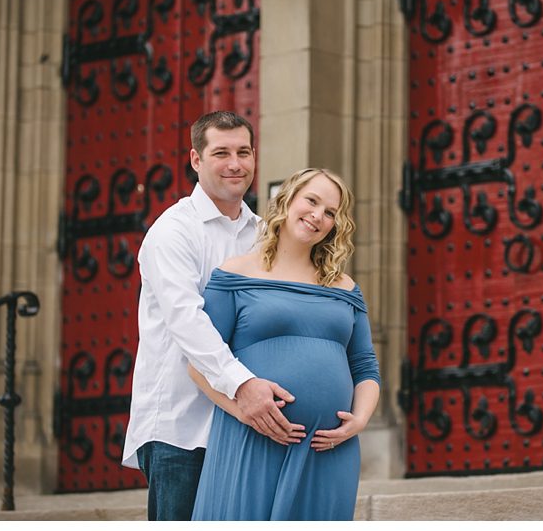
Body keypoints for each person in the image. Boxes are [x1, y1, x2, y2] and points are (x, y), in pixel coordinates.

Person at [120, 113, 303, 520]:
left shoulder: (263, 235)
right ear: (195, 160)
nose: (235, 164)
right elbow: (187, 321)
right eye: (221, 153)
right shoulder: (173, 231)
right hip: (180, 429)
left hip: (245, 428)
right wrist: (244, 385)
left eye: (243, 152)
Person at [188, 167, 379, 522]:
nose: (318, 216)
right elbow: (199, 364)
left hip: (329, 449)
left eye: (331, 212)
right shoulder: (236, 275)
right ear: (288, 199)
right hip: (253, 439)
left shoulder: (345, 287)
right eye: (312, 201)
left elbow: (365, 366)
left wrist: (360, 420)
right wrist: (245, 412)